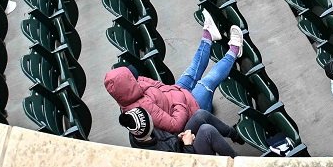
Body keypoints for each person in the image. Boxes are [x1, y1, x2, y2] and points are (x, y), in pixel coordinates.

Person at [104, 17, 245, 131]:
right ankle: (234, 51)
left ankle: (208, 37)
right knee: (208, 80)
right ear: (128, 86)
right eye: (131, 78)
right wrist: (179, 100)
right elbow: (175, 125)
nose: (135, 77)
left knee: (192, 70)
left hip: (176, 93)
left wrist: (175, 92)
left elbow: (157, 84)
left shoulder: (135, 84)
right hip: (192, 111)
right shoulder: (142, 110)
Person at [120, 106, 242, 157]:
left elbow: (168, 140)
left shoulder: (138, 132)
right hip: (191, 159)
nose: (151, 116)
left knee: (200, 115)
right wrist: (188, 145)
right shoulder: (158, 153)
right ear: (148, 126)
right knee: (207, 130)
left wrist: (179, 138)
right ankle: (239, 163)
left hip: (179, 145)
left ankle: (234, 134)